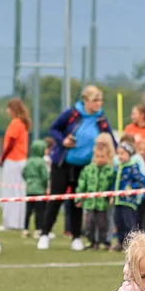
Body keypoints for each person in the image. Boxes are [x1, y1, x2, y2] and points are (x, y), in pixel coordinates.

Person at [43, 86, 114, 249]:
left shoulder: (101, 119)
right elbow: (54, 129)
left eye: (100, 100)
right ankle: (45, 234)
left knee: (77, 201)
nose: (98, 103)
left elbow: (110, 138)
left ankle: (76, 237)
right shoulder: (71, 114)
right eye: (95, 100)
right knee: (56, 199)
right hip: (63, 164)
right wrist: (63, 140)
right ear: (85, 100)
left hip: (84, 167)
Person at [75, 135, 119, 251]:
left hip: (102, 204)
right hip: (89, 203)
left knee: (103, 224)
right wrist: (79, 198)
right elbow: (81, 185)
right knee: (89, 223)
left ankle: (103, 241)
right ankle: (91, 241)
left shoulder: (110, 171)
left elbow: (113, 185)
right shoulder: (88, 169)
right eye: (97, 156)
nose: (100, 159)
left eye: (102, 157)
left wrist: (112, 196)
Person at [0, 98, 32, 231]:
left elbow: (10, 143)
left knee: (10, 191)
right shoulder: (23, 123)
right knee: (19, 191)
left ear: (13, 110)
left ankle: (9, 222)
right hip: (21, 160)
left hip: (13, 160)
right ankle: (19, 222)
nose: (7, 111)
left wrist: (2, 158)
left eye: (8, 108)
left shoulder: (15, 123)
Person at [113, 140, 145, 246]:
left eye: (122, 153)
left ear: (129, 154)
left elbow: (141, 180)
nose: (120, 156)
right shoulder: (119, 167)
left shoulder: (133, 167)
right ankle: (120, 243)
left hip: (128, 202)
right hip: (118, 200)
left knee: (129, 223)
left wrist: (131, 188)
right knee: (118, 222)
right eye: (118, 153)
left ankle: (134, 244)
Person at [23, 138, 52, 244]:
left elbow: (23, 173)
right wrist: (45, 187)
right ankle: (38, 230)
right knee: (39, 211)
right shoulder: (41, 162)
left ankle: (25, 229)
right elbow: (45, 176)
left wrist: (28, 181)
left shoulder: (29, 161)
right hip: (39, 190)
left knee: (28, 211)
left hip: (29, 189)